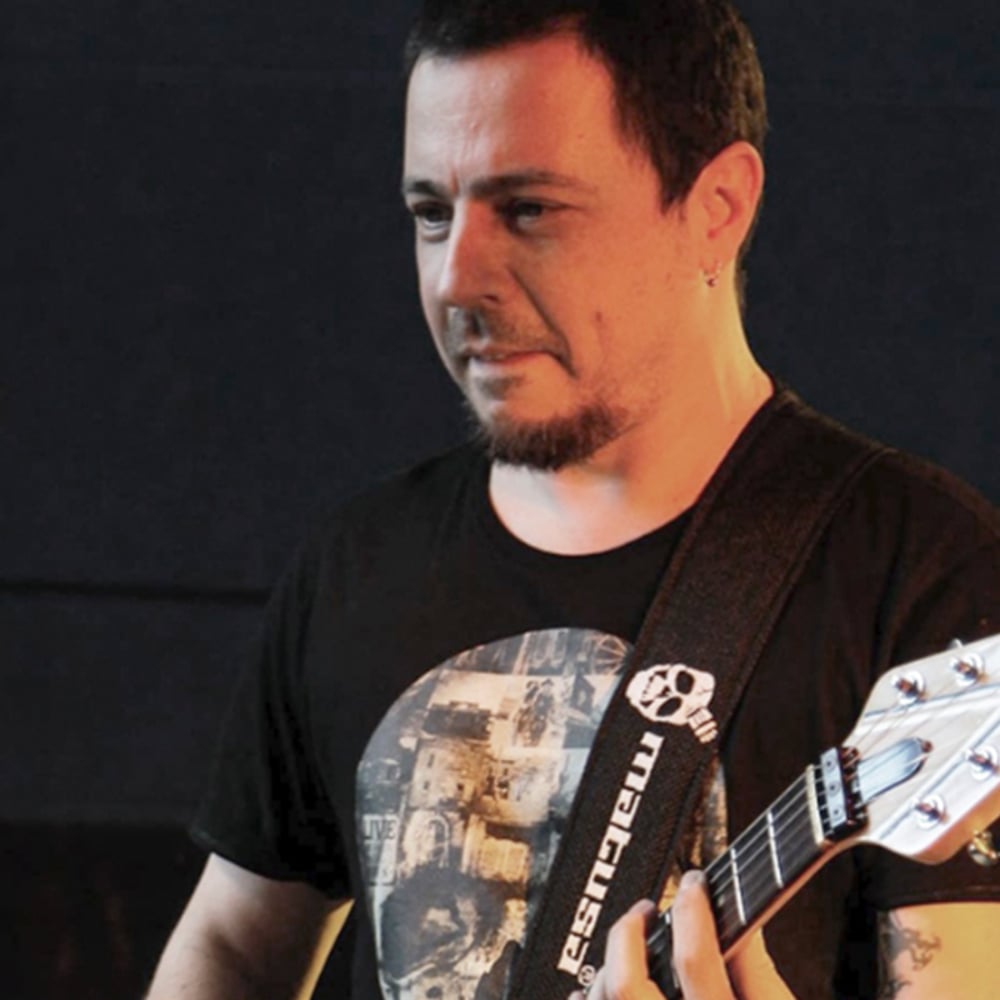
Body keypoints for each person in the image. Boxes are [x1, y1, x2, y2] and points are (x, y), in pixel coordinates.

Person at [147, 1, 1000, 998]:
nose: (456, 278)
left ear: (716, 207)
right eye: (432, 213)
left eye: (528, 210)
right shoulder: (360, 563)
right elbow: (231, 944)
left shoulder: (923, 571)